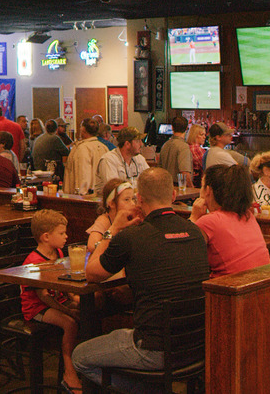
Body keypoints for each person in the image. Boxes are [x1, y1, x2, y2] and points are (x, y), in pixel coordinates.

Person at [74, 168, 209, 392]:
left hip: (153, 350)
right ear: (173, 195)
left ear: (140, 199)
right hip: (195, 347)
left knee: (80, 356)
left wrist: (113, 228)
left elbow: (92, 272)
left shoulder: (131, 236)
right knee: (121, 336)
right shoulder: (196, 233)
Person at [21, 209, 82, 392]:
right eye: (62, 233)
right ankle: (69, 371)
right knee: (70, 323)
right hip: (37, 308)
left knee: (87, 311)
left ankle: (84, 368)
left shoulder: (59, 253)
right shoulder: (34, 261)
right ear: (46, 236)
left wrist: (75, 299)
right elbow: (43, 296)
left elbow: (63, 282)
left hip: (57, 300)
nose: (66, 237)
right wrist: (68, 310)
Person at [190, 164, 270, 278]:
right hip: (261, 285)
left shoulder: (208, 222)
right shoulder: (247, 214)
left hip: (229, 290)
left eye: (202, 186)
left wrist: (193, 218)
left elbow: (183, 253)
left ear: (208, 190)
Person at [94, 126, 149, 195]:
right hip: (112, 203)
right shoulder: (108, 160)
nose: (141, 144)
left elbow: (149, 181)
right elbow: (114, 189)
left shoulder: (140, 159)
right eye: (137, 141)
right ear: (127, 144)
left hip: (133, 201)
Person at [86, 178, 136, 253]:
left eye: (133, 199)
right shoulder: (104, 220)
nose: (133, 204)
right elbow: (92, 246)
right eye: (126, 200)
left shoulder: (131, 218)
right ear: (112, 204)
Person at [64, 118, 109, 195]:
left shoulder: (83, 148)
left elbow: (83, 174)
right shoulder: (104, 147)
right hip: (99, 194)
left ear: (83, 129)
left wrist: (82, 194)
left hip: (85, 196)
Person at [158, 116, 192, 187]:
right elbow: (184, 172)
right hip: (178, 187)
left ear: (172, 127)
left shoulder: (165, 145)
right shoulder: (183, 146)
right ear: (186, 128)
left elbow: (159, 168)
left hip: (165, 185)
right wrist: (191, 187)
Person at [187, 123, 206, 188]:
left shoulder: (187, 147)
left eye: (204, 135)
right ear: (195, 135)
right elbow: (206, 167)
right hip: (198, 183)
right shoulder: (197, 149)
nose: (204, 137)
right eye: (201, 134)